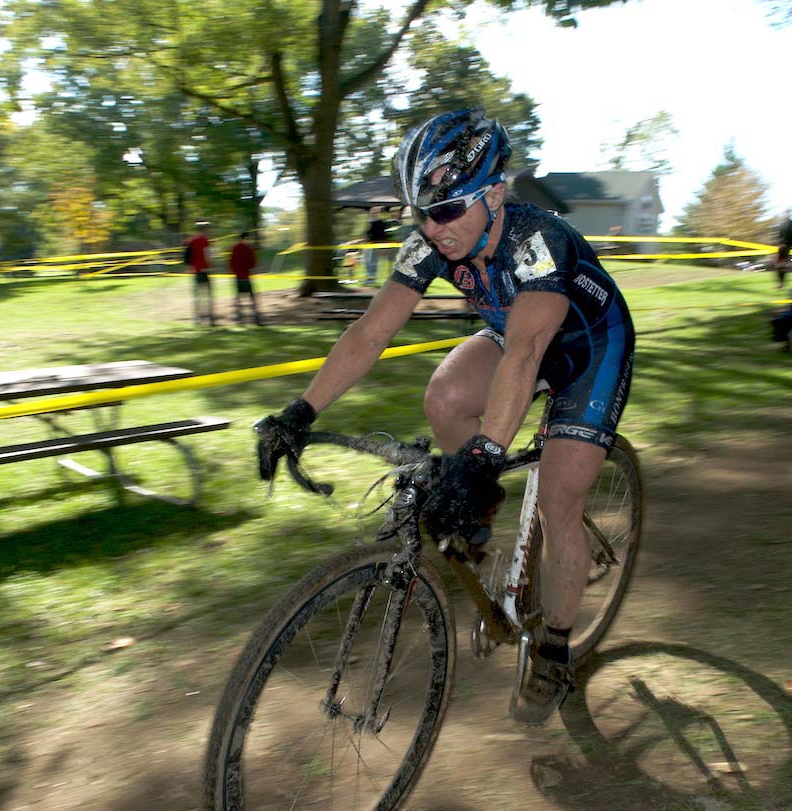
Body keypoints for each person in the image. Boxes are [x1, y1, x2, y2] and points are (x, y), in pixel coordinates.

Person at [255, 108, 635, 727]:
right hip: (518, 337)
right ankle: (480, 520)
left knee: (559, 503)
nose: (433, 228)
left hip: (588, 350)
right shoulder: (432, 240)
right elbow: (371, 331)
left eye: (447, 210)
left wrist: (484, 455)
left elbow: (526, 353)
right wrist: (301, 410)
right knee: (445, 397)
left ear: (494, 193)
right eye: (420, 213)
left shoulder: (539, 242)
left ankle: (556, 651)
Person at [228, 231, 263, 326]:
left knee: (240, 300)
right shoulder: (248, 249)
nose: (249, 241)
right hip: (245, 277)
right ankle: (255, 320)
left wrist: (235, 270)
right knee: (251, 300)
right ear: (244, 238)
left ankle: (241, 320)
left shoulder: (235, 248)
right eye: (248, 239)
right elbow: (253, 264)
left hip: (240, 277)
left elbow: (231, 263)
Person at [184, 222, 214, 325]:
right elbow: (208, 255)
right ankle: (210, 318)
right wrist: (210, 265)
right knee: (208, 295)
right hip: (205, 271)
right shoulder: (205, 241)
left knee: (197, 296)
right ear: (204, 230)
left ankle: (196, 318)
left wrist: (191, 266)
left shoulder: (192, 240)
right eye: (207, 229)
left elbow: (188, 255)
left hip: (196, 271)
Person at [363, 208, 391, 286]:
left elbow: (383, 235)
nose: (374, 213)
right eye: (373, 212)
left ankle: (372, 279)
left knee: (373, 262)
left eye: (376, 212)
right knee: (367, 262)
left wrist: (383, 247)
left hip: (376, 245)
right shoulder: (369, 222)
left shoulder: (381, 223)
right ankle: (369, 278)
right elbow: (367, 234)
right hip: (368, 245)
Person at [775, 211, 792, 288]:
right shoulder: (789, 224)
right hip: (785, 246)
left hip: (785, 247)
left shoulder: (789, 224)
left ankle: (781, 283)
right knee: (781, 266)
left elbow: (780, 235)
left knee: (781, 266)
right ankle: (781, 283)